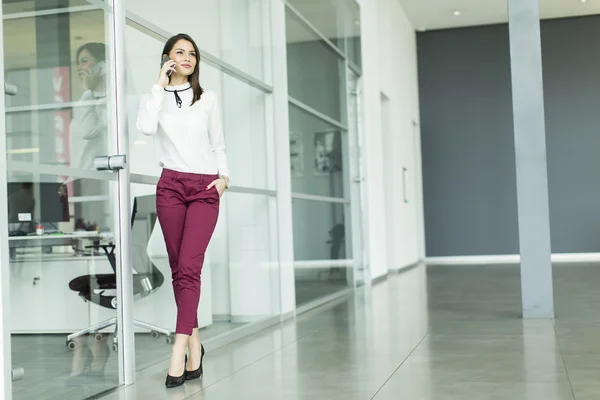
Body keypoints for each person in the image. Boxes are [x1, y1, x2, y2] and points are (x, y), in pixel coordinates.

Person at [136, 33, 230, 389]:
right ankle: (195, 346)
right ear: (167, 58)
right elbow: (145, 128)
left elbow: (218, 144)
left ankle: (178, 352)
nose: (188, 58)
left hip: (205, 187)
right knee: (179, 270)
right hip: (171, 186)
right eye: (180, 52)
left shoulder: (208, 99)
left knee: (190, 268)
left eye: (192, 53)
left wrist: (225, 179)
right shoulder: (154, 98)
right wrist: (159, 85)